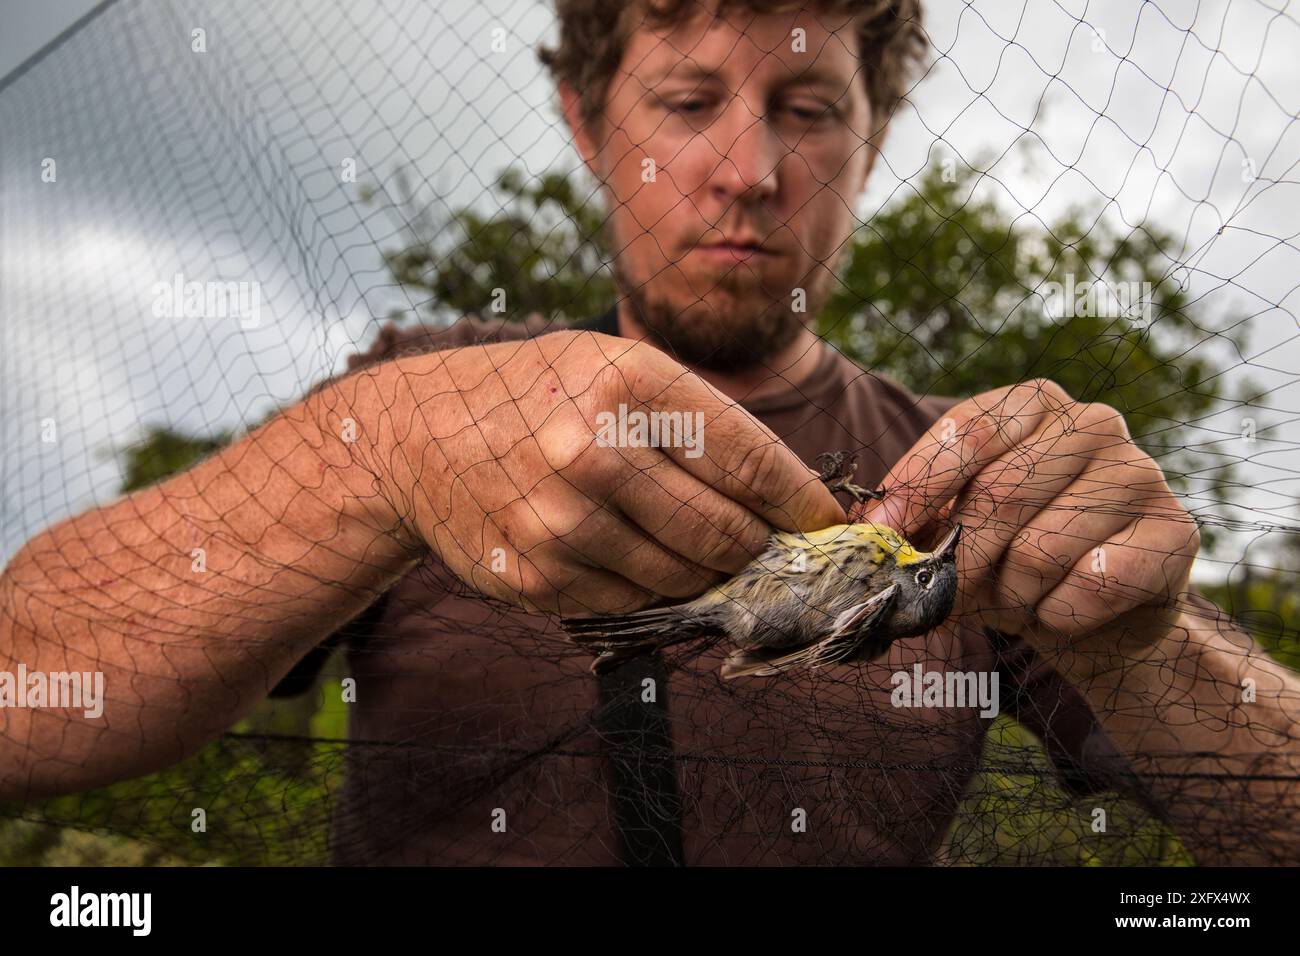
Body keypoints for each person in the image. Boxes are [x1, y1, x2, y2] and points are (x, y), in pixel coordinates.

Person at [1, 0, 1296, 865]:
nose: (748, 169)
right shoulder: (424, 393)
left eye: (808, 107)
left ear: (875, 134)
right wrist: (370, 457)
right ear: (584, 122)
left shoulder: (962, 480)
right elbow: (25, 699)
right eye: (686, 102)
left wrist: (1146, 637)